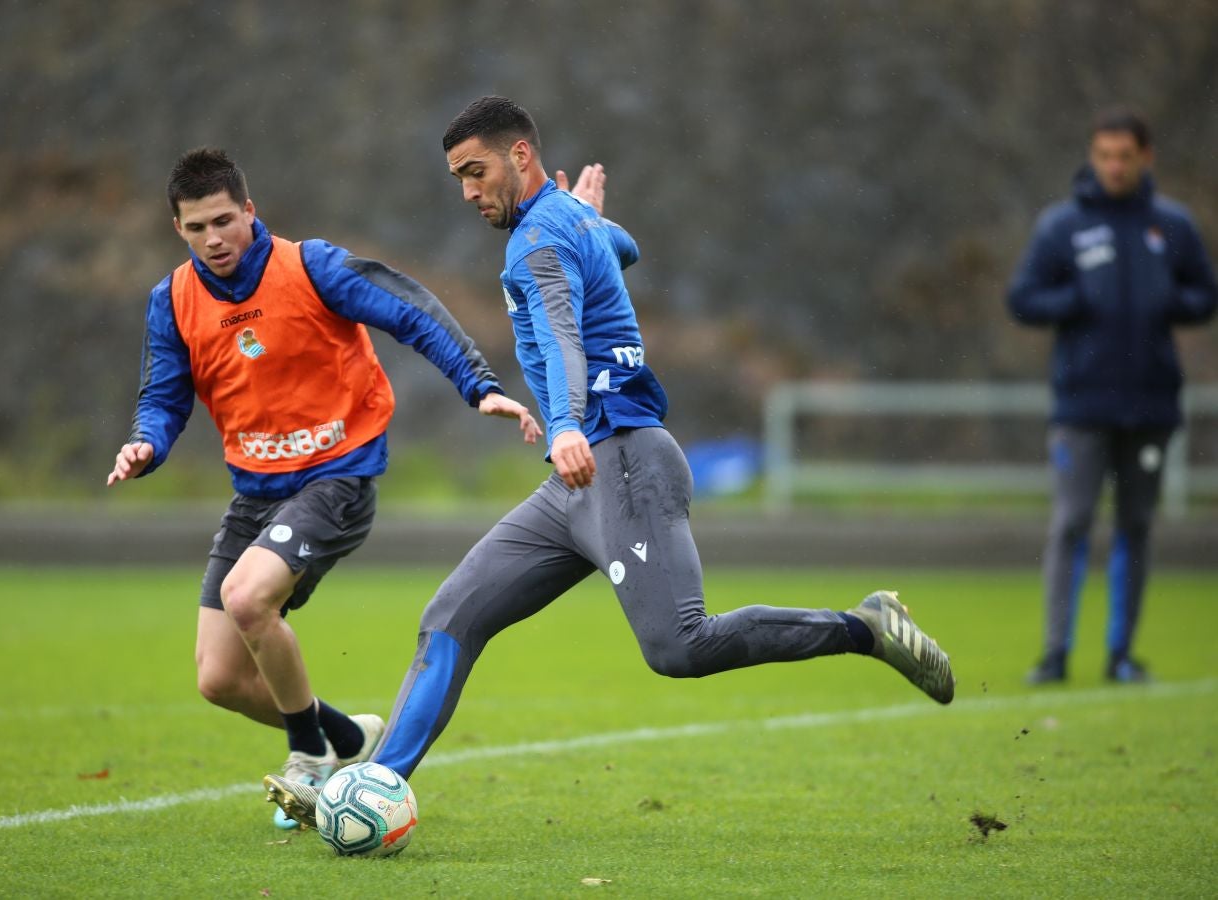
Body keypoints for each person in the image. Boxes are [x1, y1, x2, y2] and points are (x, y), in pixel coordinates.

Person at [263, 96, 955, 825]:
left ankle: (865, 627)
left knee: (679, 646)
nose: (468, 191)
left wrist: (563, 423)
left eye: (476, 171)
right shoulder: (563, 222)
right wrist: (593, 219)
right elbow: (624, 252)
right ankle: (373, 787)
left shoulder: (534, 244)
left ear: (521, 156)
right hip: (574, 484)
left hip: (620, 460)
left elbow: (562, 335)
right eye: (458, 178)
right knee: (452, 616)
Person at [107, 147, 541, 829]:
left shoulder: (311, 268)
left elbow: (412, 312)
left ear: (250, 211)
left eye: (224, 220)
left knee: (246, 598)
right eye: (197, 228)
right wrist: (146, 443)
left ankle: (308, 758)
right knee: (218, 679)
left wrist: (479, 385)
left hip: (337, 479)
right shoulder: (174, 301)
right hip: (256, 495)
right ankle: (344, 737)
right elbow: (164, 397)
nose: (214, 239)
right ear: (178, 230)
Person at [1008, 108, 1216, 685]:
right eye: (1104, 156)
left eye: (1125, 156)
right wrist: (1071, 301)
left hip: (1150, 403)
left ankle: (1121, 654)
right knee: (1072, 521)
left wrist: (1167, 299)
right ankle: (1055, 653)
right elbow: (1023, 298)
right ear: (1092, 156)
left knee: (1136, 525)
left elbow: (1205, 294)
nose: (1114, 167)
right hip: (1081, 406)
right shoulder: (1063, 227)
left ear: (1145, 157)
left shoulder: (1171, 226)